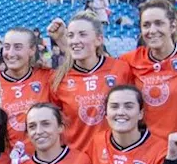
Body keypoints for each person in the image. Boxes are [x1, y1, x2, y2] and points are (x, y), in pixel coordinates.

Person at [48, 11, 134, 155]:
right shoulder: (58, 79)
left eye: (82, 34)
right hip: (76, 163)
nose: (75, 40)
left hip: (115, 159)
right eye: (71, 35)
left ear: (99, 40)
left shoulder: (120, 69)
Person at [123, 0, 177, 138]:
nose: (152, 30)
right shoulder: (128, 61)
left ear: (173, 26)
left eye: (159, 23)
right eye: (146, 25)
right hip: (146, 151)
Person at [0, 27, 55, 150]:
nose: (10, 53)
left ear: (32, 50)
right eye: (6, 47)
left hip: (44, 162)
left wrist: (61, 39)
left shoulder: (47, 77)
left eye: (17, 47)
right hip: (6, 163)